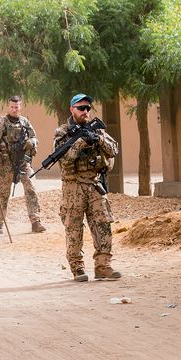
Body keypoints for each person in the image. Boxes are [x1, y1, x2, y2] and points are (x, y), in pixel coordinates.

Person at [55, 93, 121, 282]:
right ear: (72, 109)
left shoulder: (97, 130)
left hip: (94, 184)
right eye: (81, 108)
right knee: (74, 229)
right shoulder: (62, 132)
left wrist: (98, 139)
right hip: (73, 186)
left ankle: (103, 266)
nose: (85, 111)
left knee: (103, 225)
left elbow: (114, 149)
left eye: (87, 108)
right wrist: (81, 142)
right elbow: (65, 161)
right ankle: (77, 268)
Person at [0, 96, 46, 234]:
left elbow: (34, 137)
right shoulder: (1, 123)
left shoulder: (24, 122)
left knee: (31, 188)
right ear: (8, 107)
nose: (14, 109)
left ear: (20, 107)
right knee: (4, 193)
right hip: (6, 163)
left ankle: (35, 221)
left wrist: (31, 142)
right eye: (12, 107)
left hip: (23, 162)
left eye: (17, 107)